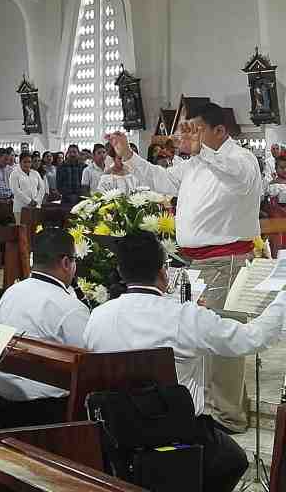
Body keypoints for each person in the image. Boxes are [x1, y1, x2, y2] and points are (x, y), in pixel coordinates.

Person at [82, 231, 286, 492]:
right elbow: (252, 338)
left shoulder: (98, 316)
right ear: (164, 272)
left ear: (121, 271)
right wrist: (282, 298)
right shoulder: (183, 317)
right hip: (176, 431)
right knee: (233, 460)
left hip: (117, 429)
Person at [109, 102, 262, 433]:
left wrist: (204, 152)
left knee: (221, 337)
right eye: (187, 128)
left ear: (220, 131)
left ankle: (228, 416)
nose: (188, 135)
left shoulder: (242, 160)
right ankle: (220, 404)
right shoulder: (194, 164)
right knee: (200, 334)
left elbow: (233, 176)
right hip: (195, 261)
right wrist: (129, 156)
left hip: (226, 259)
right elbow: (163, 180)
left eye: (196, 128)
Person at [0, 228, 88, 427]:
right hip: (42, 410)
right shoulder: (70, 307)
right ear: (66, 263)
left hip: (0, 395)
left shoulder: (12, 291)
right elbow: (89, 365)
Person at [9, 152, 45, 225]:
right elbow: (15, 190)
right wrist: (29, 201)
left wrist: (36, 201)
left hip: (35, 206)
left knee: (35, 228)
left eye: (29, 162)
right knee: (22, 230)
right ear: (20, 162)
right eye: (25, 162)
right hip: (20, 207)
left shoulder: (35, 173)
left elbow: (42, 188)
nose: (27, 164)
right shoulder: (14, 174)